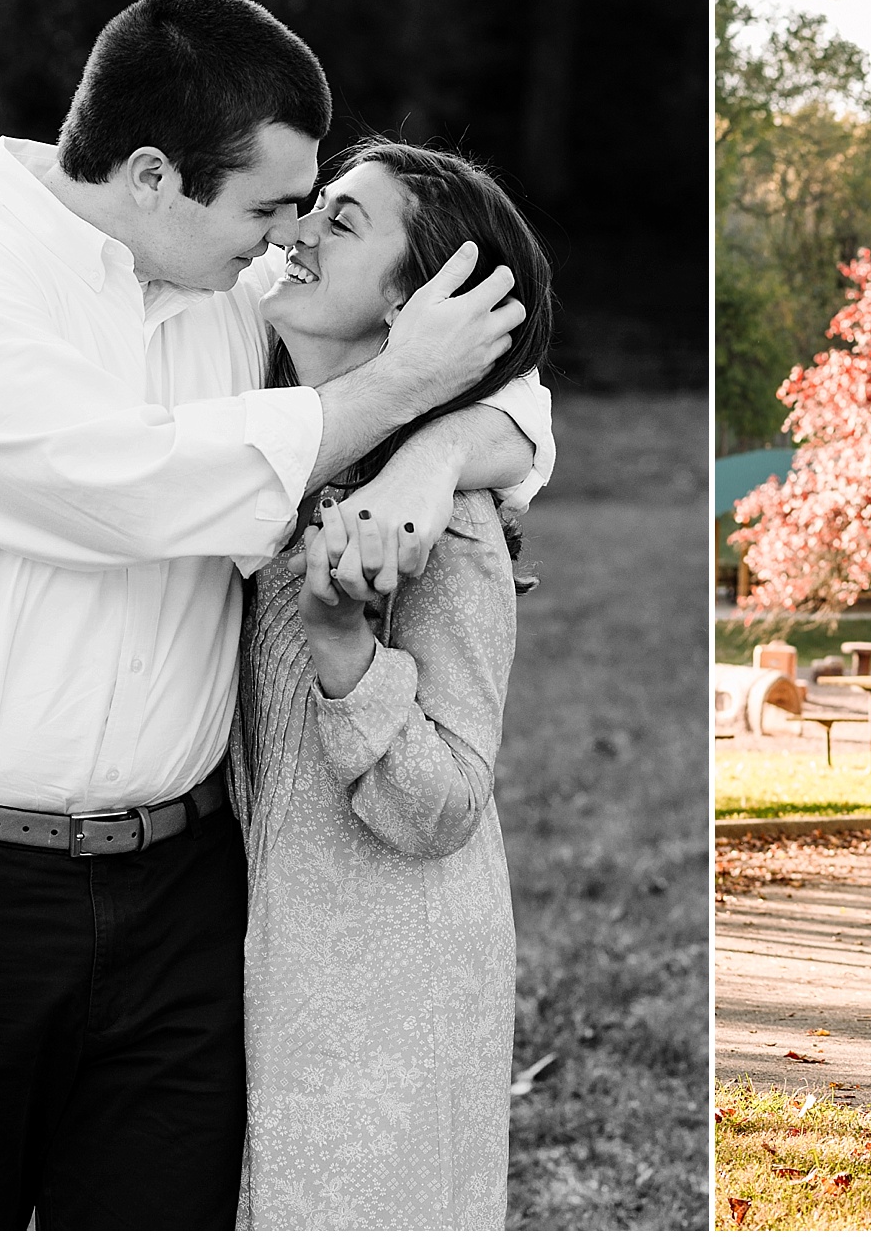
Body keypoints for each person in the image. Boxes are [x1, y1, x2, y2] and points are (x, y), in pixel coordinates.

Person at [0, 0, 551, 1230]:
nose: (286, 237)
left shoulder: (221, 290)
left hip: (181, 907)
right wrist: (404, 393)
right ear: (153, 177)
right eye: (268, 208)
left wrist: (436, 450)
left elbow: (503, 374)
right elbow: (133, 488)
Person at [231, 141, 549, 1227]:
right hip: (246, 969)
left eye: (343, 222)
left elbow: (446, 801)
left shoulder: (444, 521)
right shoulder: (258, 436)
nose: (301, 230)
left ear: (417, 304)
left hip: (382, 996)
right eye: (314, 205)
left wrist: (345, 657)